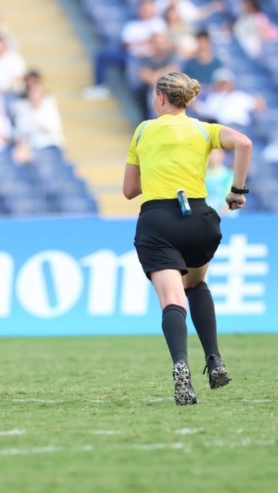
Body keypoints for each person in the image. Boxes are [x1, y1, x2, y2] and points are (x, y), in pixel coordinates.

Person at [122, 72, 252, 406]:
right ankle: (214, 360)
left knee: (172, 300)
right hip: (199, 219)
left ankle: (181, 365)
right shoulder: (203, 129)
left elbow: (129, 191)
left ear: (161, 99)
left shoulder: (144, 130)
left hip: (158, 221)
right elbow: (244, 143)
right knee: (195, 285)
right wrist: (236, 191)